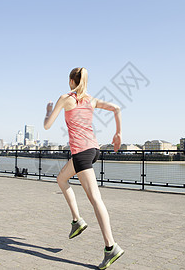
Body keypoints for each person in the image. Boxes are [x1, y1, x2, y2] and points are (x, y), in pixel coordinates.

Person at [44, 67, 124, 269]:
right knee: (61, 179)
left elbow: (47, 126)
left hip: (81, 153)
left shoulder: (65, 98)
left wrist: (47, 112)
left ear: (72, 81)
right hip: (93, 150)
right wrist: (118, 134)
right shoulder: (91, 100)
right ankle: (77, 220)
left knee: (95, 199)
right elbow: (116, 108)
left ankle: (110, 246)